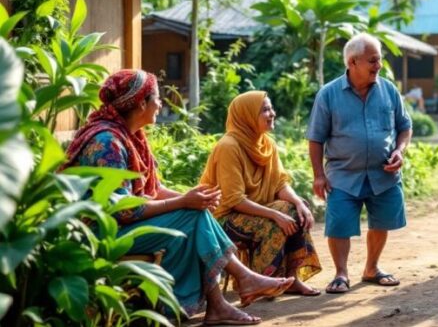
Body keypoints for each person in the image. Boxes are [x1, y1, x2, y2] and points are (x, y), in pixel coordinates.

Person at [64, 70, 294, 325]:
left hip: (123, 226)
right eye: (157, 98)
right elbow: (123, 209)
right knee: (191, 216)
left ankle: (222, 300)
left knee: (197, 212)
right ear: (141, 103)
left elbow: (154, 189)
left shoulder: (131, 137)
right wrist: (184, 202)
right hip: (100, 233)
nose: (161, 104)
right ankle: (239, 283)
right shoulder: (108, 142)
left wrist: (194, 197)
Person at [307, 33, 413, 294]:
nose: (378, 66)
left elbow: (404, 126)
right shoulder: (329, 94)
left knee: (382, 221)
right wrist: (319, 175)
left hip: (383, 174)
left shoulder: (388, 89)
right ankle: (341, 274)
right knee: (339, 224)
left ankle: (371, 268)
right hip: (343, 175)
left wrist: (400, 151)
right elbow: (315, 138)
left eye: (379, 60)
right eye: (373, 61)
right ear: (353, 62)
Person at [200, 91, 322, 296]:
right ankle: (262, 280)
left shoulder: (267, 144)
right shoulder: (229, 147)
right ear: (246, 116)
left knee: (296, 210)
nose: (272, 113)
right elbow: (234, 200)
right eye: (265, 109)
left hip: (254, 210)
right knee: (273, 223)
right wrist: (275, 214)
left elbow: (279, 184)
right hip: (222, 218)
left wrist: (299, 203)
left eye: (271, 108)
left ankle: (292, 278)